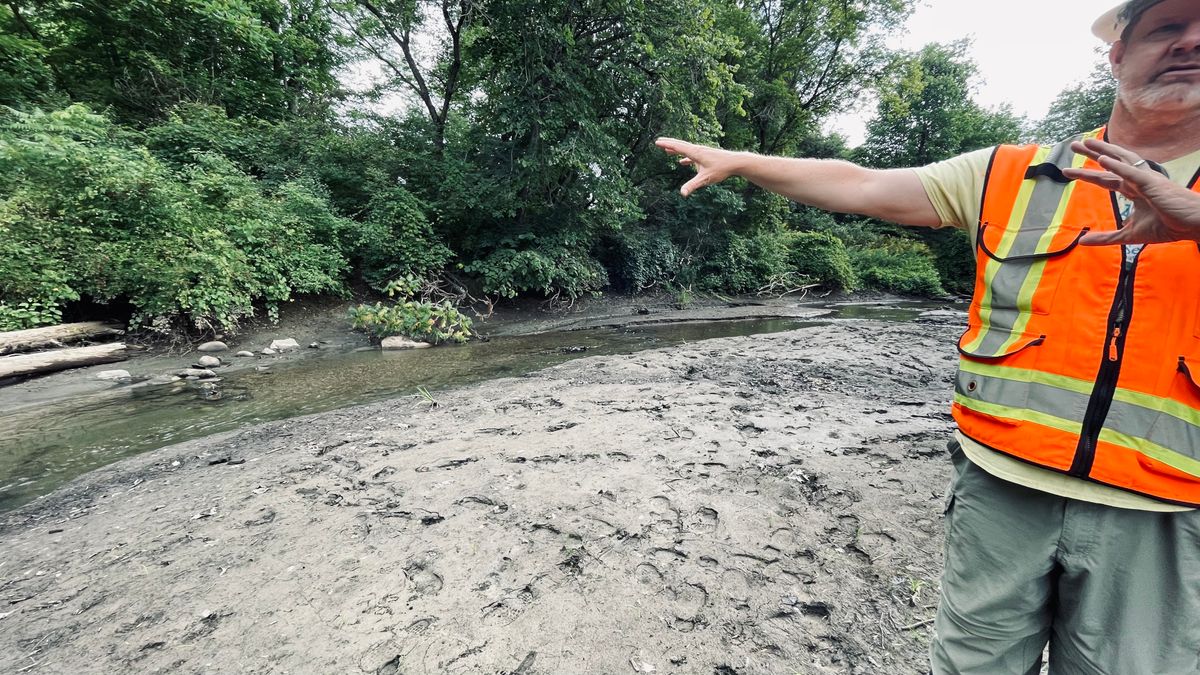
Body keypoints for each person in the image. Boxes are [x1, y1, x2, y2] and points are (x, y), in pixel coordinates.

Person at [657, 1, 1200, 673]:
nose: (1190, 41)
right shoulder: (1012, 173)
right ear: (1117, 54)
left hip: (1166, 507)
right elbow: (861, 183)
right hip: (1002, 489)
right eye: (1168, 26)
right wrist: (744, 161)